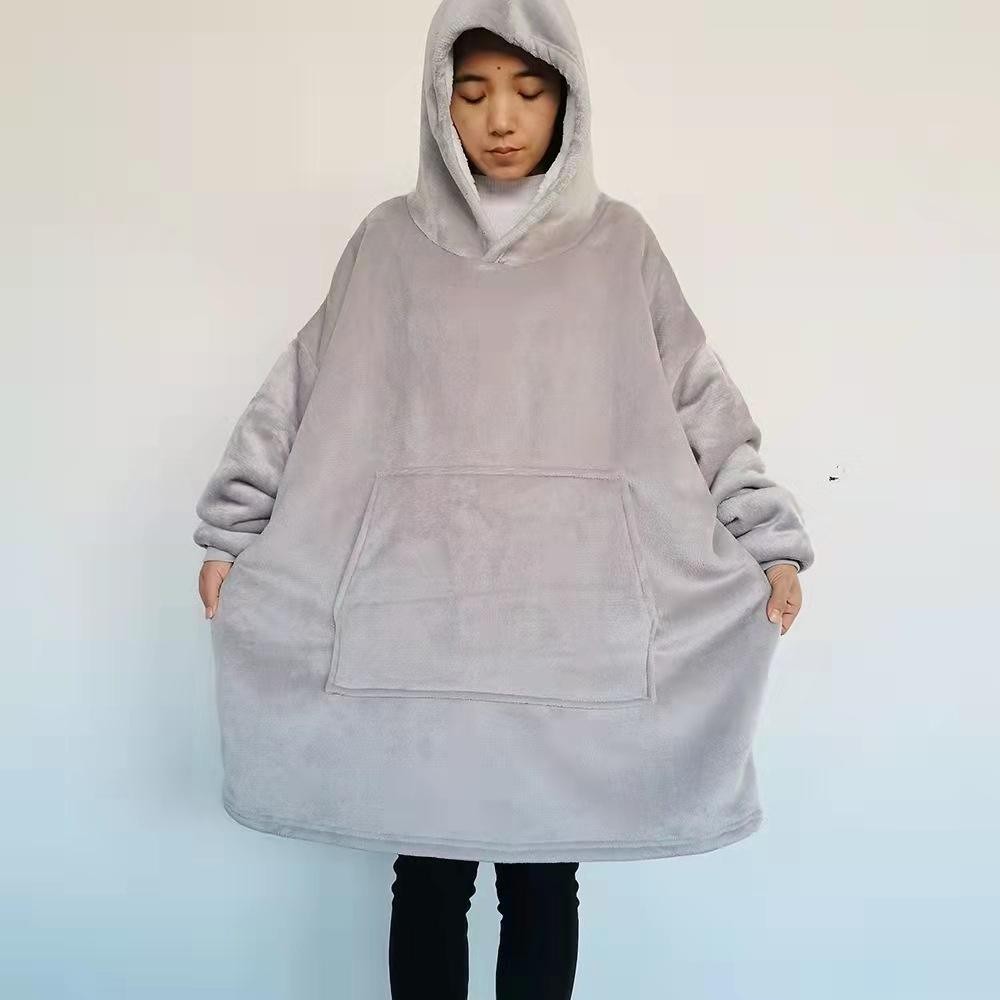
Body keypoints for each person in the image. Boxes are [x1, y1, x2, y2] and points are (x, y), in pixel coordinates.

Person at [194, 1, 814, 997]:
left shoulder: (620, 243)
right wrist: (233, 531)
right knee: (427, 871)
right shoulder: (388, 241)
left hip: (570, 617)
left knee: (544, 873)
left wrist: (769, 541)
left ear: (569, 102)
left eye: (529, 90)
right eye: (473, 90)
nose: (501, 117)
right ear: (439, 103)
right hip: (417, 611)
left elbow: (701, 399)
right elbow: (298, 393)